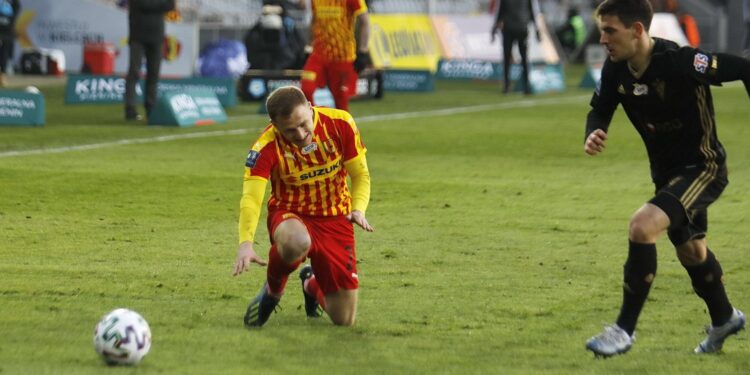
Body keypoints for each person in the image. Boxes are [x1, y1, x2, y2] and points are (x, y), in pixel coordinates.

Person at [583, 0, 750, 357]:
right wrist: (595, 131)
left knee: (642, 226)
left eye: (609, 30)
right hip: (667, 176)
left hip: (703, 168)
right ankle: (725, 317)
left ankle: (623, 330)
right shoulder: (616, 70)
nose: (602, 39)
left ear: (637, 30)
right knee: (691, 251)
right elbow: (599, 108)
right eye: (602, 31)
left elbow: (745, 67)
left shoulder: (682, 61)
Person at [232, 86, 373, 328]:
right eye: (290, 130)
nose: (300, 134)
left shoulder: (340, 123)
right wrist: (245, 244)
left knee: (344, 319)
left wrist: (358, 209)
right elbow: (251, 198)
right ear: (275, 126)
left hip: (336, 217)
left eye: (303, 124)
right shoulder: (265, 146)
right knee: (297, 241)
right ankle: (274, 289)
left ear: (310, 106)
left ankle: (310, 283)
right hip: (291, 214)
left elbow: (360, 175)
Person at [300, 0, 370, 111]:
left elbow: (365, 22)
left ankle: (343, 127)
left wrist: (363, 51)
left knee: (341, 101)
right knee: (306, 88)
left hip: (342, 57)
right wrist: (309, 46)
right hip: (318, 55)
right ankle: (315, 123)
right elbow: (314, 20)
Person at [124, 0, 176, 121]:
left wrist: (155, 5)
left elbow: (170, 5)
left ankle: (151, 108)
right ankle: (130, 109)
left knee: (153, 74)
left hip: (157, 36)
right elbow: (142, 4)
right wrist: (159, 5)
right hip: (138, 36)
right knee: (134, 72)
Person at [491, 0, 540, 94]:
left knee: (507, 58)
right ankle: (526, 85)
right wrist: (537, 29)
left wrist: (494, 28)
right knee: (524, 58)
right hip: (521, 26)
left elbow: (499, 12)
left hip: (510, 27)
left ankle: (507, 86)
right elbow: (533, 11)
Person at [0, 0, 19, 87]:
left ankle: (2, 76)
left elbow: (16, 9)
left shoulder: (14, 2)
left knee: (4, 54)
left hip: (7, 31)